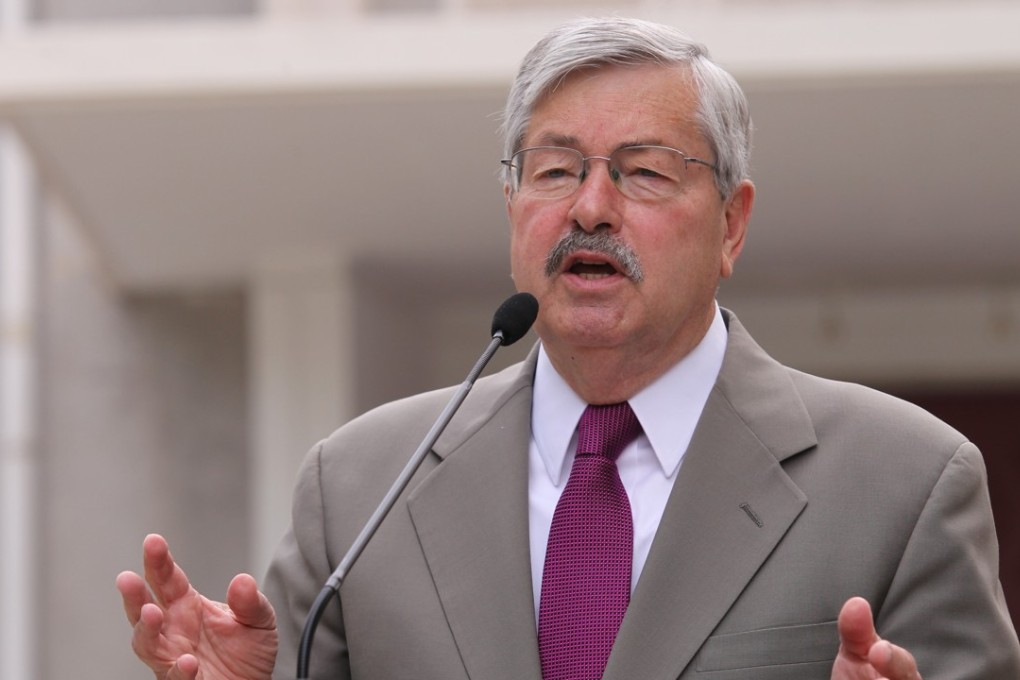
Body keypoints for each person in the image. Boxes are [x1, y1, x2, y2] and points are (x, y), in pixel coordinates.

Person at [117, 16, 1020, 680]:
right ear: (512, 205)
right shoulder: (357, 490)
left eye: (644, 171)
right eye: (554, 169)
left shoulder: (904, 484)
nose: (591, 206)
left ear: (732, 226)